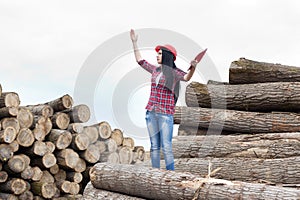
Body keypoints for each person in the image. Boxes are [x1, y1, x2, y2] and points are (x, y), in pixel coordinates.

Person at [130, 29, 198, 170]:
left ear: (167, 56)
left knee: (166, 146)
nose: (157, 56)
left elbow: (186, 78)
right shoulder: (155, 70)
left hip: (165, 114)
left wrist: (193, 68)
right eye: (157, 53)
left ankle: (170, 175)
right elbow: (140, 61)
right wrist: (134, 42)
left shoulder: (175, 73)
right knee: (154, 146)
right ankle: (155, 174)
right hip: (151, 112)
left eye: (160, 54)